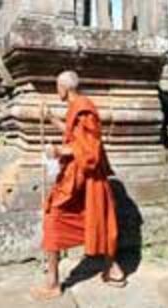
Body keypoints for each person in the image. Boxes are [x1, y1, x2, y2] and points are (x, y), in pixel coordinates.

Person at [31, 70, 125, 300]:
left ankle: (55, 282)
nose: (57, 91)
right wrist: (52, 118)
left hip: (87, 177)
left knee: (57, 216)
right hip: (78, 176)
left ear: (64, 88)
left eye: (57, 87)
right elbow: (76, 137)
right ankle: (110, 269)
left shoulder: (84, 107)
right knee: (95, 219)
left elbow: (90, 150)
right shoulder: (77, 107)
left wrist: (59, 150)